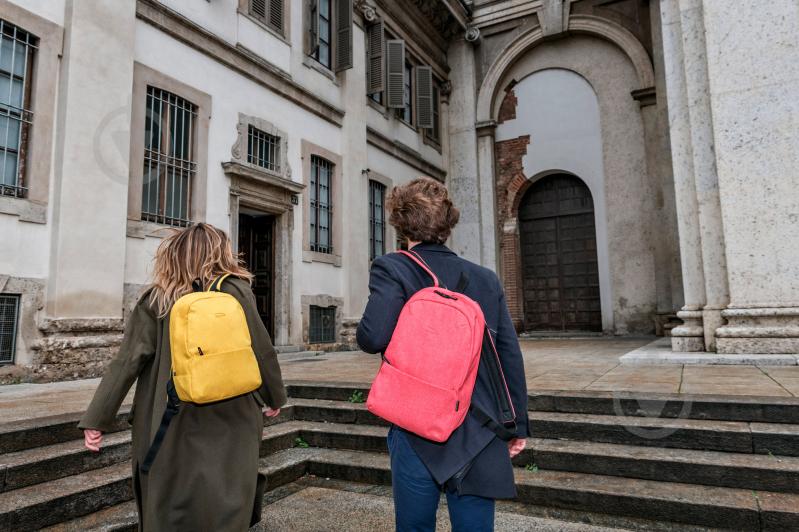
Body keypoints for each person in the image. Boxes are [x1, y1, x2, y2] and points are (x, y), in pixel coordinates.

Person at [78, 223, 286, 532]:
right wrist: (273, 395)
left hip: (170, 414)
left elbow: (128, 361)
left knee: (170, 494)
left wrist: (97, 418)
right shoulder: (237, 289)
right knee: (228, 489)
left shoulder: (157, 298)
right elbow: (262, 348)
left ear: (173, 255)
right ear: (221, 252)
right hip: (234, 411)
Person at [357, 177, 530, 532]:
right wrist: (517, 425)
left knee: (415, 527)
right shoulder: (486, 278)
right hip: (480, 426)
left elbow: (372, 337)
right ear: (448, 224)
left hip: (417, 424)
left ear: (400, 223)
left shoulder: (393, 267)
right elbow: (508, 355)